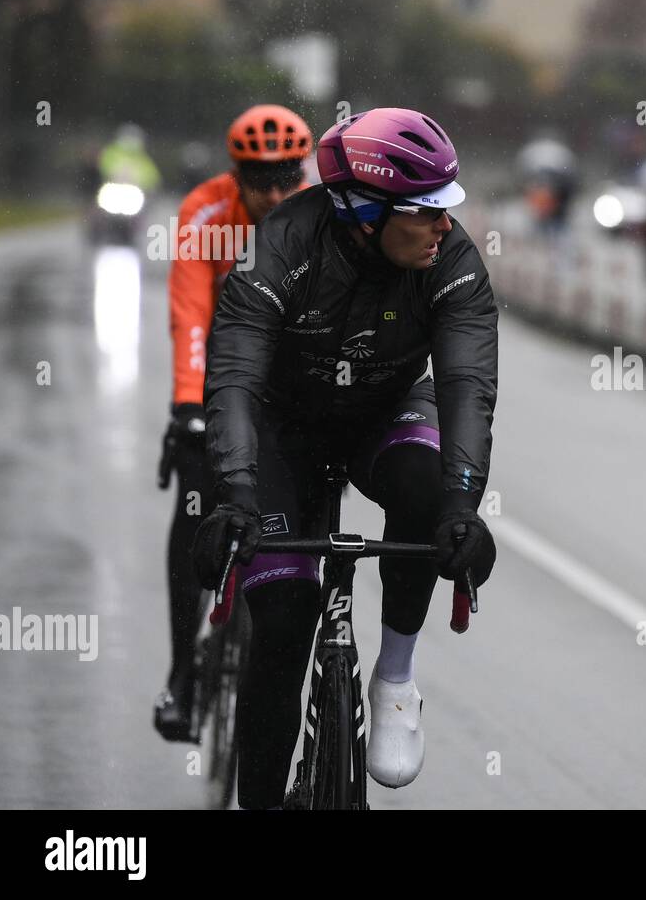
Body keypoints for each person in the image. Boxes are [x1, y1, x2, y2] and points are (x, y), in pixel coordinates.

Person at [190, 107, 499, 808]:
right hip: (281, 428)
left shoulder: (449, 261)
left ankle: (393, 678)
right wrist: (235, 492)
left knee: (426, 487)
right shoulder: (280, 246)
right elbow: (233, 376)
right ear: (365, 211)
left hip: (384, 412)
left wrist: (460, 504)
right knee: (285, 617)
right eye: (427, 210)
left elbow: (466, 388)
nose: (446, 225)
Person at [154, 104, 314, 741]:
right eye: (259, 181)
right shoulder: (207, 211)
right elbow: (190, 313)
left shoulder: (318, 211)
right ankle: (180, 675)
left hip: (294, 374)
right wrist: (189, 407)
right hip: (221, 374)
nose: (274, 195)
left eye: (286, 179)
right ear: (235, 174)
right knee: (194, 505)